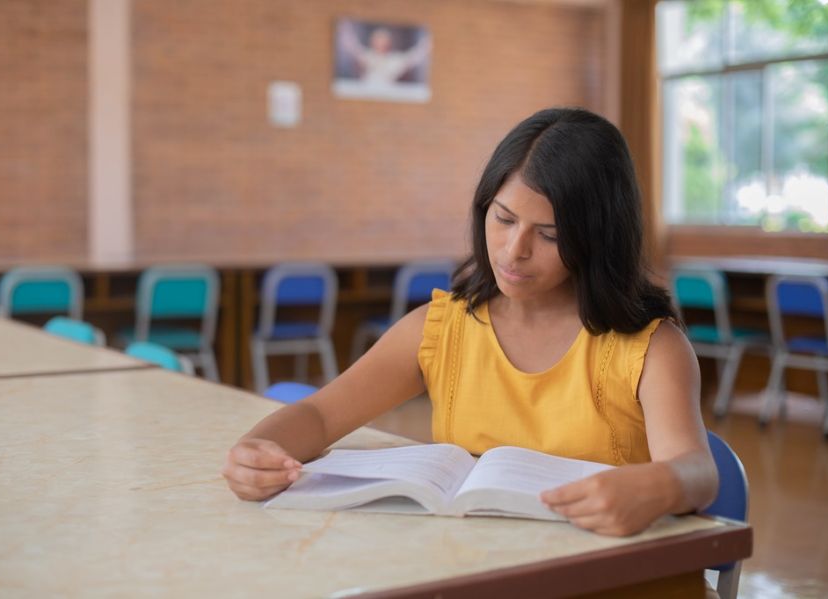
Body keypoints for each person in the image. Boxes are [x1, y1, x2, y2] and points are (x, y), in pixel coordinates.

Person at [222, 108, 719, 537]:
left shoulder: (650, 349)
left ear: (598, 238)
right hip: (474, 566)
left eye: (548, 234)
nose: (514, 250)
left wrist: (656, 486)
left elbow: (697, 471)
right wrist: (260, 451)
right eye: (503, 219)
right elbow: (322, 415)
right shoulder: (442, 330)